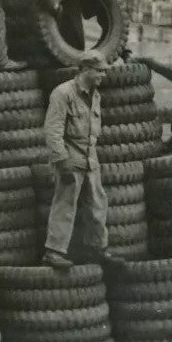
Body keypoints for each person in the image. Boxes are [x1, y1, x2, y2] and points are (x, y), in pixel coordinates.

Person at [42, 51, 114, 270]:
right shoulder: (63, 93)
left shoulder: (95, 95)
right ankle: (53, 251)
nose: (103, 75)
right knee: (65, 205)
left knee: (98, 205)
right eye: (99, 70)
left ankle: (98, 249)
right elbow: (52, 130)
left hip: (90, 160)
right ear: (85, 70)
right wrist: (61, 161)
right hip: (69, 160)